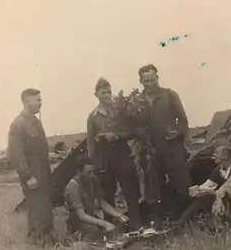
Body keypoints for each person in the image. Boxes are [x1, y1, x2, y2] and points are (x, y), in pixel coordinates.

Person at [138, 64, 193, 229]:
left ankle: (186, 218)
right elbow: (130, 126)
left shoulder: (170, 96)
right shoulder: (136, 101)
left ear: (157, 78)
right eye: (146, 81)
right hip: (149, 150)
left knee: (181, 182)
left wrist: (175, 133)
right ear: (141, 81)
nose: (150, 84)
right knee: (153, 185)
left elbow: (183, 122)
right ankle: (158, 220)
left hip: (172, 148)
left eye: (152, 80)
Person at [86, 78, 144, 232]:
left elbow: (134, 131)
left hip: (122, 154)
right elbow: (90, 141)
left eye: (109, 92)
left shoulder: (121, 110)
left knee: (130, 189)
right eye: (103, 92)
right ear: (96, 94)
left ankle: (135, 221)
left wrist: (117, 136)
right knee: (107, 191)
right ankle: (109, 224)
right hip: (104, 158)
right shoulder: (93, 116)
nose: (107, 95)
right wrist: (92, 161)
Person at [8, 88, 55, 246]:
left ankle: (46, 239)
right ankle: (38, 242)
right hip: (32, 175)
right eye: (38, 100)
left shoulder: (35, 122)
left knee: (45, 208)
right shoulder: (18, 125)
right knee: (36, 208)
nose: (41, 103)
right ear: (27, 102)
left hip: (43, 173)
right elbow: (16, 155)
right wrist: (28, 176)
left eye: (41, 100)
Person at [64, 156, 129, 241]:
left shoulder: (93, 180)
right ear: (79, 172)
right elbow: (81, 215)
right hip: (77, 221)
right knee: (95, 232)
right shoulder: (73, 186)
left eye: (93, 172)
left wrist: (118, 215)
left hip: (90, 216)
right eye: (88, 172)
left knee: (118, 226)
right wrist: (104, 224)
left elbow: (102, 202)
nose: (92, 175)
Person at [169, 145, 231, 227]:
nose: (214, 155)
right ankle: (177, 218)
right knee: (194, 194)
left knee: (206, 197)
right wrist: (198, 190)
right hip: (220, 195)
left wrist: (207, 191)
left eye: (217, 153)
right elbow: (209, 184)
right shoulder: (218, 169)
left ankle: (182, 221)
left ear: (224, 156)